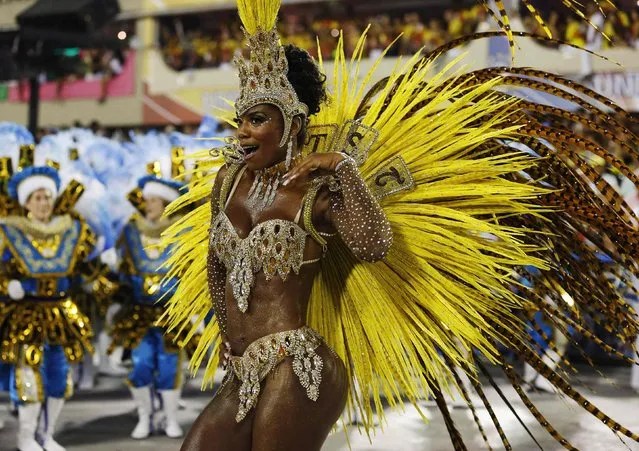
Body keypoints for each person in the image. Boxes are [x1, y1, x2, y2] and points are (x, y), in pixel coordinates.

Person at [161, 1, 639, 450]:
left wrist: (346, 168)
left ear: (294, 124)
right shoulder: (228, 180)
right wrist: (227, 334)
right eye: (241, 119)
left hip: (296, 366)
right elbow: (215, 263)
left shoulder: (317, 190)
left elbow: (374, 245)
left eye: (257, 119)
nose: (242, 130)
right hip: (243, 371)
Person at [0, 147, 115, 451]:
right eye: (37, 197)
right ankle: (26, 437)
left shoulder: (71, 230)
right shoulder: (9, 233)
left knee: (59, 378)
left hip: (62, 314)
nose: (44, 202)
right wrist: (7, 284)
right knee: (28, 378)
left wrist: (101, 282)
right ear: (26, 202)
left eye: (47, 196)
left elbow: (85, 269)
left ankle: (46, 434)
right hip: (25, 316)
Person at [107, 161, 188, 440]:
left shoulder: (182, 233)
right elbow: (122, 271)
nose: (148, 204)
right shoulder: (131, 231)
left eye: (154, 200)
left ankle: (170, 417)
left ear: (167, 203)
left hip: (172, 314)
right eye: (147, 199)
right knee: (140, 364)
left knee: (169, 365)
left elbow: (192, 274)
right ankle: (144, 415)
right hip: (139, 313)